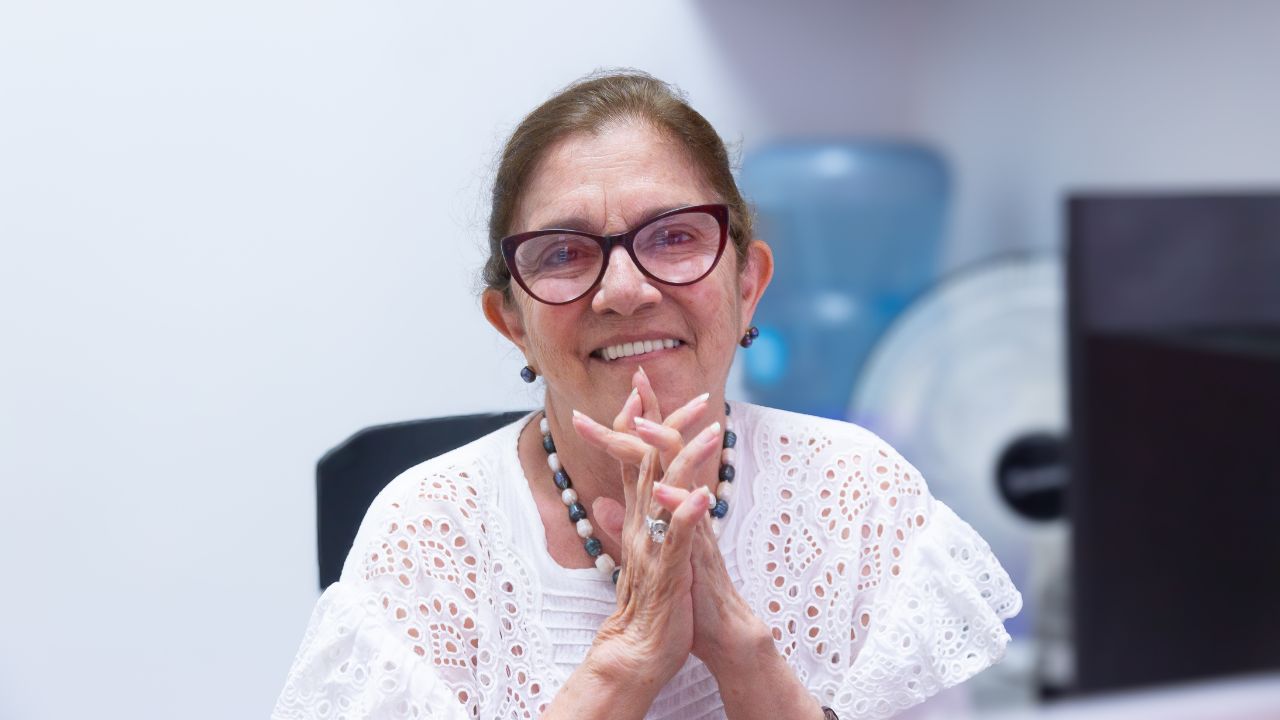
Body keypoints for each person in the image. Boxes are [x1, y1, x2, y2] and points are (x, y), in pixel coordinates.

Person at [273, 70, 1021, 720]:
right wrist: (627, 659)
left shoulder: (860, 496)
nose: (625, 291)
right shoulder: (427, 535)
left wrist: (741, 649)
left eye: (673, 237)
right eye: (564, 253)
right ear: (513, 324)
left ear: (749, 284)